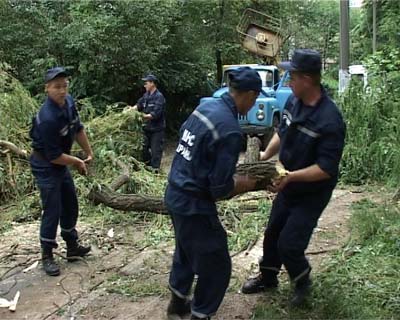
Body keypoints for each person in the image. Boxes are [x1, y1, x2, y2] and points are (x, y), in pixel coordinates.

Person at [241, 49, 346, 306]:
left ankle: (302, 283)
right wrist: (265, 154)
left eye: (293, 76)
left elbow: (325, 168)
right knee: (273, 233)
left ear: (307, 79)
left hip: (312, 191)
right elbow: (282, 131)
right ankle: (268, 277)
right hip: (288, 181)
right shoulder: (293, 101)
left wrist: (290, 176)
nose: (288, 81)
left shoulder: (330, 120)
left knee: (290, 243)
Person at [164, 67, 263, 319]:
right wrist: (251, 182)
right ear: (250, 95)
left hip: (174, 193)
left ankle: (177, 305)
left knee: (186, 249)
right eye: (255, 99)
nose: (253, 105)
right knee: (216, 263)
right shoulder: (229, 129)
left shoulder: (205, 107)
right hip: (194, 204)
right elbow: (220, 188)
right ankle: (201, 314)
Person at [29, 67, 93, 276]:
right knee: (53, 208)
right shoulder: (47, 117)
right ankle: (47, 254)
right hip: (46, 164)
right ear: (47, 88)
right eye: (57, 87)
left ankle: (72, 246)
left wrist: (88, 152)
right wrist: (77, 161)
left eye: (65, 86)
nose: (62, 90)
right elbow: (54, 156)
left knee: (70, 202)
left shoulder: (70, 102)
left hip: (60, 162)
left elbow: (78, 128)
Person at [130, 74, 166, 172]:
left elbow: (155, 115)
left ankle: (155, 171)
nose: (144, 85)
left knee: (156, 152)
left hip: (157, 130)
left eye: (146, 83)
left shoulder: (159, 97)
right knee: (143, 149)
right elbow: (139, 105)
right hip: (146, 129)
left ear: (152, 83)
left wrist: (140, 116)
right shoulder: (146, 96)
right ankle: (147, 168)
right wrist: (130, 111)